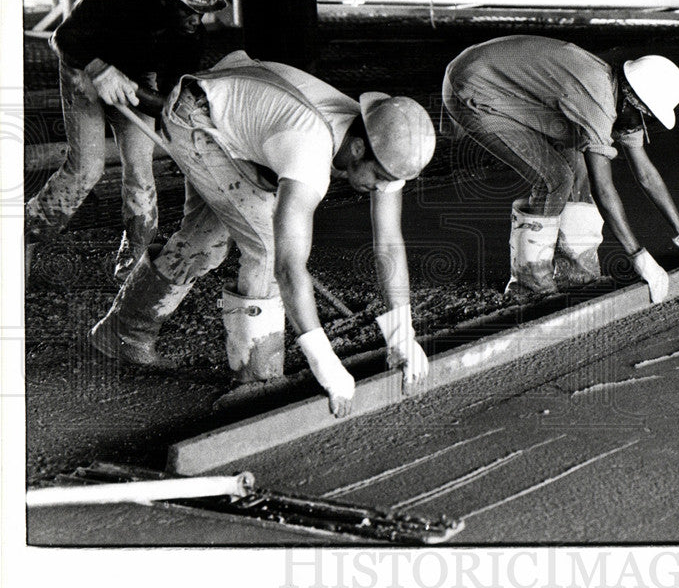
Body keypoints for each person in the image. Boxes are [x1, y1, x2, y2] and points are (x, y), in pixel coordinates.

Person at [89, 51, 436, 417]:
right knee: (267, 249)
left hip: (231, 110)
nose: (384, 187)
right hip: (198, 119)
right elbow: (288, 267)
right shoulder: (309, 149)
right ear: (357, 148)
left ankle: (124, 332)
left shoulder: (379, 143)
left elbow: (388, 243)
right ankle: (257, 382)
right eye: (380, 178)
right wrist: (325, 362)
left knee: (207, 242)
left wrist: (403, 334)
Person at [442, 35, 679, 301]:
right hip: (475, 87)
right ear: (633, 100)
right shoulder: (599, 102)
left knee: (578, 167)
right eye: (645, 117)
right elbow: (604, 190)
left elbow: (646, 175)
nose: (643, 126)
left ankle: (576, 275)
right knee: (554, 177)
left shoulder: (623, 101)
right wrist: (638, 255)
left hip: (497, 78)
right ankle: (528, 287)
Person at [26, 0, 226, 282]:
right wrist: (98, 70)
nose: (197, 19)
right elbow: (63, 38)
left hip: (136, 79)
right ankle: (26, 235)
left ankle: (133, 260)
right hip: (84, 69)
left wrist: (181, 122)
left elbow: (168, 99)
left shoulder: (189, 36)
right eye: (189, 9)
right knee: (86, 170)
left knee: (140, 171)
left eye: (202, 11)